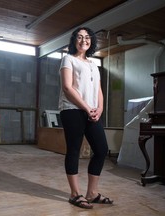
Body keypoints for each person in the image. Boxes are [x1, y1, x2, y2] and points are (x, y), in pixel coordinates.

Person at [58, 27, 113, 209]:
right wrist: (87, 108)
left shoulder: (93, 64)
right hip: (72, 110)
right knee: (74, 150)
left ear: (91, 41)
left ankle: (92, 193)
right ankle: (74, 194)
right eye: (80, 37)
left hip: (91, 112)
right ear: (74, 40)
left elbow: (98, 90)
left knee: (101, 149)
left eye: (87, 37)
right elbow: (67, 87)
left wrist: (100, 109)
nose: (84, 40)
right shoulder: (68, 59)